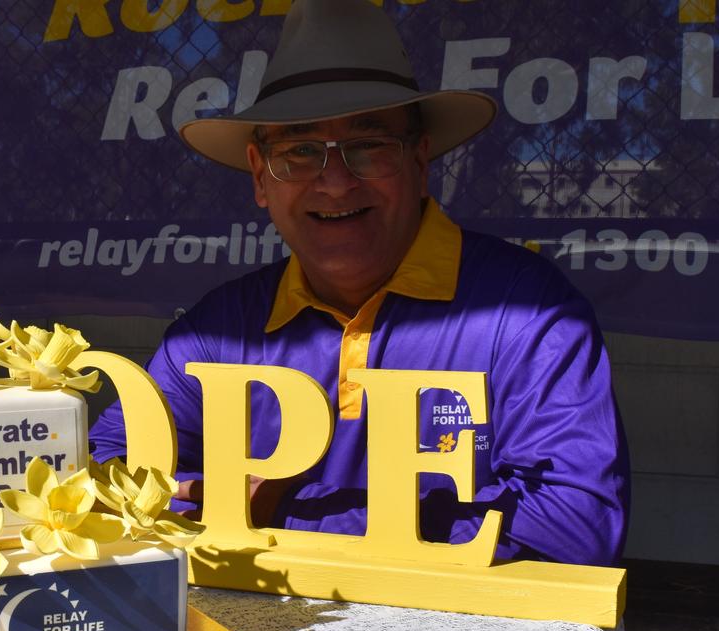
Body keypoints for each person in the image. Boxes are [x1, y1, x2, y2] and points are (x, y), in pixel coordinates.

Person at [90, 0, 629, 567]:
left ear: (420, 161)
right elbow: (109, 470)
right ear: (259, 176)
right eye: (299, 151)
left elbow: (578, 526)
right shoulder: (214, 331)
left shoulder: (525, 312)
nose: (335, 183)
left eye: (369, 146)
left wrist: (277, 506)